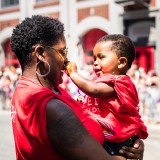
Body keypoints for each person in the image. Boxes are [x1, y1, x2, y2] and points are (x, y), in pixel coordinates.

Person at [10, 15, 144, 160]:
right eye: (62, 52)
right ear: (41, 54)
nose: (67, 60)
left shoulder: (29, 90)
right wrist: (131, 157)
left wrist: (130, 141)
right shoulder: (52, 108)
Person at [66, 34, 148, 160]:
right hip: (105, 140)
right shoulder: (101, 81)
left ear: (121, 62)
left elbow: (94, 90)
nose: (95, 63)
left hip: (116, 144)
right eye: (94, 58)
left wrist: (73, 74)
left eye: (101, 57)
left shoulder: (119, 82)